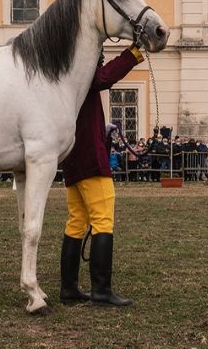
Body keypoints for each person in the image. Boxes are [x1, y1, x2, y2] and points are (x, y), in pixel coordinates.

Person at [59, 42, 143, 308]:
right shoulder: (81, 75)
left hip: (73, 159)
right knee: (103, 222)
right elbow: (105, 77)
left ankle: (69, 288)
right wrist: (133, 53)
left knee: (76, 223)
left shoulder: (64, 77)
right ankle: (101, 290)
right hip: (90, 159)